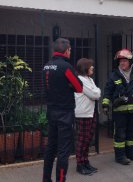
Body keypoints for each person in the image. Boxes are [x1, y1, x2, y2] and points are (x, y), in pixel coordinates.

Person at [42, 38, 83, 182]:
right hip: (64, 113)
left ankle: (46, 179)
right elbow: (79, 88)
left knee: (50, 148)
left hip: (51, 111)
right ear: (66, 51)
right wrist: (69, 86)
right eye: (70, 50)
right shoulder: (66, 67)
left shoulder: (47, 66)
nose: (71, 52)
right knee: (63, 150)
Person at [102, 49, 133, 165]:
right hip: (119, 111)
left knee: (132, 133)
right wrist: (105, 104)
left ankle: (131, 154)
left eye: (124, 61)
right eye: (120, 61)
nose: (122, 63)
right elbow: (108, 90)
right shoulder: (114, 75)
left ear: (130, 62)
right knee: (120, 134)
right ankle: (120, 156)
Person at [74, 58, 101, 175]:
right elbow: (95, 94)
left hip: (91, 112)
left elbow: (96, 94)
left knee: (88, 139)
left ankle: (85, 161)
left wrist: (96, 92)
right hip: (83, 114)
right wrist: (96, 92)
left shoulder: (89, 79)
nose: (93, 68)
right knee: (82, 140)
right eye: (90, 66)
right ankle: (80, 164)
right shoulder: (80, 80)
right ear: (85, 68)